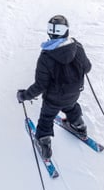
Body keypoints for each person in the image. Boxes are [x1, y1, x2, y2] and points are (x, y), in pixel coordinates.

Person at [16, 15, 92, 160]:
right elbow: (87, 68)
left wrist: (24, 95)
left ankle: (44, 142)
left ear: (50, 33)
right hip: (74, 93)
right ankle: (79, 125)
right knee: (71, 106)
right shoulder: (77, 48)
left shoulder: (46, 57)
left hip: (53, 99)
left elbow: (40, 85)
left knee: (46, 117)